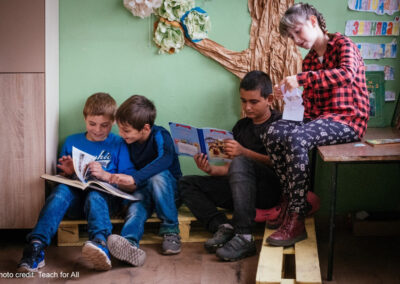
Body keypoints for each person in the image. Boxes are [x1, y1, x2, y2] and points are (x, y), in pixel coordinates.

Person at [261, 2, 369, 247]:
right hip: (322, 120)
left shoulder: (344, 45)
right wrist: (289, 97)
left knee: (298, 137)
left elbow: (346, 74)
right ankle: (292, 199)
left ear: (313, 22)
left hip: (348, 121)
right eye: (291, 36)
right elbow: (311, 107)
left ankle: (296, 217)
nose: (295, 39)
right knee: (272, 131)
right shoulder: (309, 61)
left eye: (297, 31)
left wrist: (299, 79)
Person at [17, 92, 135, 272]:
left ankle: (100, 244)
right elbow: (62, 180)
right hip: (76, 203)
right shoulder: (72, 141)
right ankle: (35, 247)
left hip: (104, 204)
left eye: (104, 125)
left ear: (113, 121)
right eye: (92, 124)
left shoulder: (119, 144)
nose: (97, 130)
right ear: (84, 118)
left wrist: (104, 175)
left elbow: (131, 183)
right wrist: (69, 173)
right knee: (61, 191)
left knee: (95, 194)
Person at [179, 71, 282, 261]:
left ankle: (244, 236)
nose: (247, 107)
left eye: (253, 102)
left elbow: (283, 165)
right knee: (186, 183)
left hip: (268, 190)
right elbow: (233, 169)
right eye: (243, 101)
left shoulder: (281, 124)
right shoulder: (241, 127)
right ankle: (222, 227)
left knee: (241, 161)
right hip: (240, 191)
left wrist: (244, 152)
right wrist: (210, 169)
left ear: (269, 99)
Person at [105, 95, 182, 266]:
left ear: (145, 128)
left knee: (158, 176)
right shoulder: (128, 142)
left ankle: (171, 230)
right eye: (120, 129)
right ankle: (129, 244)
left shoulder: (160, 135)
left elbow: (166, 159)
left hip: (169, 193)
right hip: (145, 189)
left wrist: (135, 177)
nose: (121, 134)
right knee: (136, 207)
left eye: (126, 130)